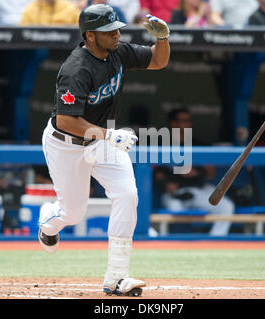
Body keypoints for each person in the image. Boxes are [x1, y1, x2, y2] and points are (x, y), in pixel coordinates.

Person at [38, 4, 169, 296]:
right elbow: (66, 120)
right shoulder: (76, 68)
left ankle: (116, 278)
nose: (117, 34)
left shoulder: (118, 51)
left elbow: (158, 62)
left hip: (101, 141)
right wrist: (109, 134)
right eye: (109, 31)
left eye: (117, 28)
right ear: (90, 36)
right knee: (73, 213)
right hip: (66, 144)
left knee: (128, 195)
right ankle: (48, 223)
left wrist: (162, 39)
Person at [154, 108, 235, 236]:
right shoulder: (162, 144)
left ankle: (215, 242)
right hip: (175, 193)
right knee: (176, 210)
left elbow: (211, 172)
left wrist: (195, 172)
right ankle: (176, 245)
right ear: (173, 123)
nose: (187, 124)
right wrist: (167, 183)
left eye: (188, 121)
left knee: (226, 206)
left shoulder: (197, 144)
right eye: (183, 121)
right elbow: (156, 172)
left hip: (197, 190)